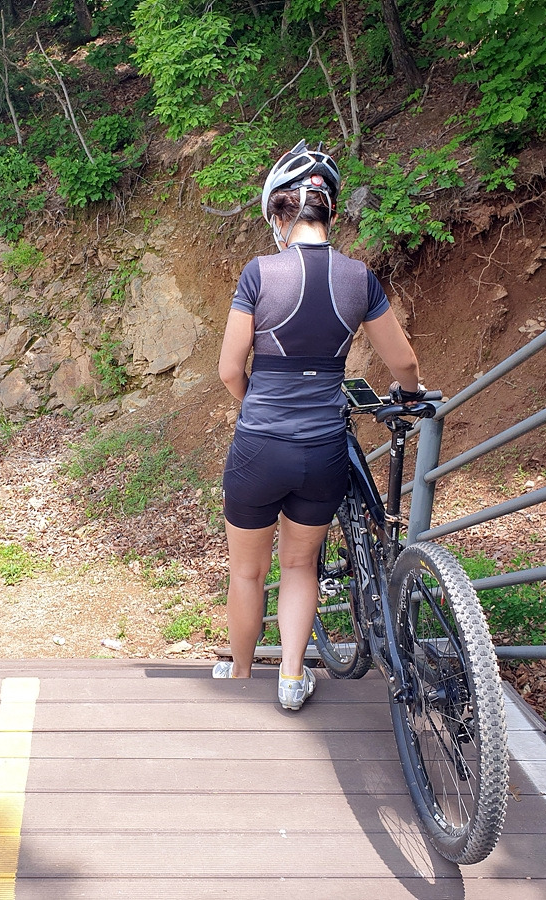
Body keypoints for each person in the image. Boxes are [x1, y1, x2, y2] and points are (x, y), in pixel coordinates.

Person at [213, 140, 424, 711]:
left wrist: (257, 404)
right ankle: (290, 678)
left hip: (259, 448)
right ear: (330, 212)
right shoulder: (360, 278)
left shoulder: (260, 273)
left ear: (279, 214)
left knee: (247, 572)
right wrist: (407, 396)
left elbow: (230, 369)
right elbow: (404, 364)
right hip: (323, 450)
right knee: (300, 564)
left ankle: (239, 678)